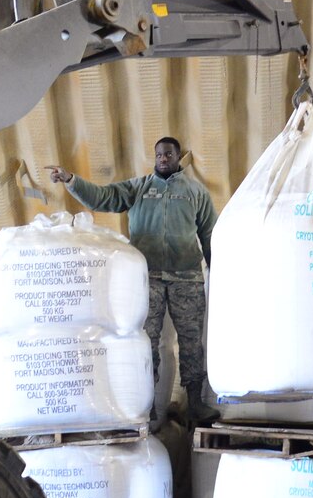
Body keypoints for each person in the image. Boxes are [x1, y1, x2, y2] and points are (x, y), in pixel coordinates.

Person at [51, 137, 218, 423]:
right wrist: (71, 180)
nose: (162, 158)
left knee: (191, 342)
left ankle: (194, 404)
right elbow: (102, 197)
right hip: (146, 280)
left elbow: (209, 235)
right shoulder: (139, 188)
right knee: (145, 342)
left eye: (168, 154)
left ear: (179, 156)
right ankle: (148, 405)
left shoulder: (195, 192)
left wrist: (217, 274)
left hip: (186, 279)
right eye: (158, 154)